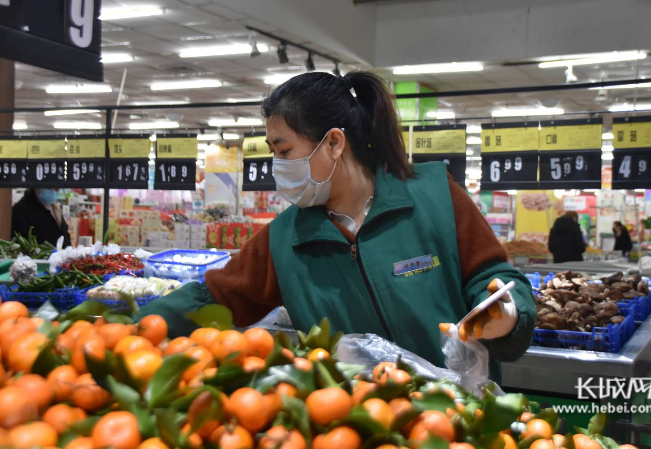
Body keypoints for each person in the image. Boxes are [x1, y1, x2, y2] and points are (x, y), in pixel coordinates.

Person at [140, 71, 536, 382]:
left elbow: (494, 276)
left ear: (333, 143)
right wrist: (126, 328)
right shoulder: (287, 238)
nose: (277, 166)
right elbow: (215, 298)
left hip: (456, 420)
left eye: (284, 151)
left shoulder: (433, 197)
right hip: (352, 425)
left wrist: (509, 312)